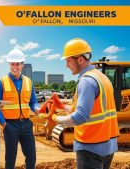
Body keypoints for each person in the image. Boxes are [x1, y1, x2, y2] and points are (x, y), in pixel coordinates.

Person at [52, 38, 119, 169]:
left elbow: (81, 116)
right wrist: (63, 107)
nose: (67, 65)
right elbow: (92, 109)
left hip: (91, 146)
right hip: (108, 145)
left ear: (80, 60)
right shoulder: (102, 78)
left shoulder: (86, 81)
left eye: (68, 61)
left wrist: (55, 118)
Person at [0, 49, 40, 169]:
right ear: (9, 64)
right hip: (10, 125)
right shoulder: (1, 83)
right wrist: (4, 124)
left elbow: (33, 101)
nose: (15, 67)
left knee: (31, 157)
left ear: (22, 65)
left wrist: (36, 108)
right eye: (12, 64)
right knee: (10, 158)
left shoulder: (28, 82)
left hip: (26, 124)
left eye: (17, 64)